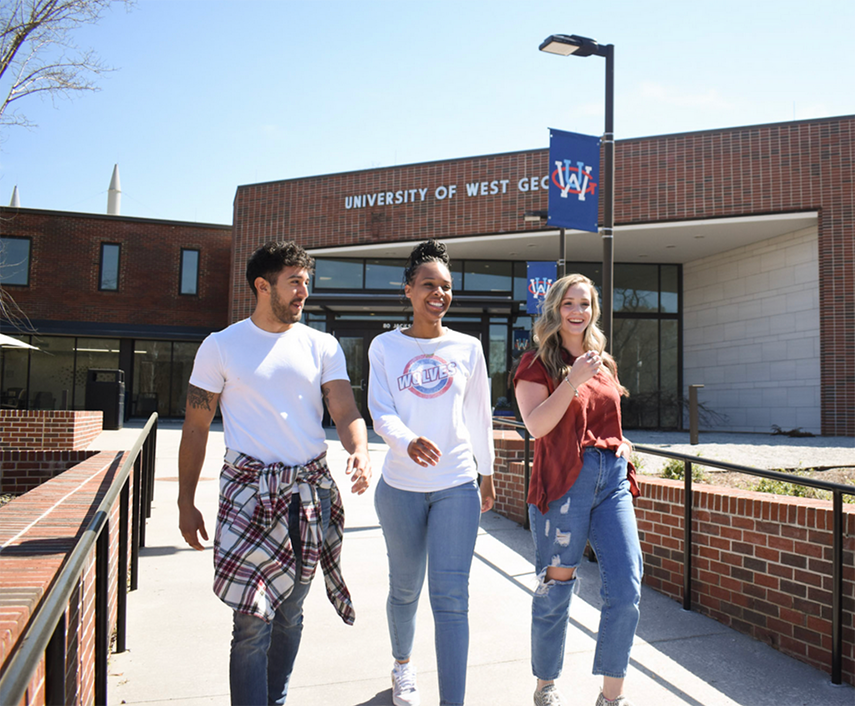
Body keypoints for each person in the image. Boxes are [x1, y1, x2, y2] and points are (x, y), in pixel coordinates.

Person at [177, 240, 371, 706]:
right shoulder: (220, 346)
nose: (304, 291)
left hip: (308, 494)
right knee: (250, 621)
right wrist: (186, 500)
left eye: (307, 281)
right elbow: (196, 425)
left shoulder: (321, 345)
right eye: (295, 282)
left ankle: (275, 698)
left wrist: (359, 449)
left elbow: (345, 410)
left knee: (288, 614)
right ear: (263, 286)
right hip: (247, 494)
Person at [367, 239, 496, 706]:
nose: (438, 293)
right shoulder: (385, 346)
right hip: (400, 487)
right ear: (408, 290)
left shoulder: (468, 347)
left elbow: (480, 414)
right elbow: (379, 410)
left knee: (452, 599)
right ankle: (403, 665)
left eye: (446, 286)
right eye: (428, 285)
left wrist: (487, 472)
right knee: (404, 589)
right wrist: (406, 440)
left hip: (456, 485)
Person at [513, 274, 643, 706]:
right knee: (558, 586)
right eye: (569, 304)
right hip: (566, 482)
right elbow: (536, 426)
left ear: (594, 311)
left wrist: (622, 444)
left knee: (626, 587)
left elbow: (606, 418)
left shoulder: (602, 361)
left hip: (612, 480)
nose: (577, 312)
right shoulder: (536, 364)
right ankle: (545, 685)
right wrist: (572, 380)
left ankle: (611, 697)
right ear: (555, 309)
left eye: (585, 305)